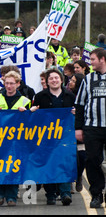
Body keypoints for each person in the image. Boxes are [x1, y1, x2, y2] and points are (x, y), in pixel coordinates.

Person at [31, 69, 76, 205]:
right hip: (46, 137)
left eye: (56, 78)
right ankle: (50, 194)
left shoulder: (70, 95)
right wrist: (33, 111)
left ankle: (65, 193)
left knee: (64, 164)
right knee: (48, 165)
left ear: (61, 80)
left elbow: (78, 112)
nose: (54, 80)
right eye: (51, 78)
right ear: (47, 81)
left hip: (64, 137)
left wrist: (75, 113)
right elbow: (34, 117)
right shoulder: (40, 96)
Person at [0, 71, 31, 206]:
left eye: (11, 83)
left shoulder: (25, 101)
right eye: (6, 83)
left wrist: (25, 113)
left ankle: (11, 196)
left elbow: (30, 122)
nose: (8, 86)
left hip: (17, 140)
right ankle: (0, 194)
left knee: (13, 167)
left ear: (18, 84)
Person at [74, 48, 106, 208]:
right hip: (92, 127)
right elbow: (79, 104)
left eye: (93, 59)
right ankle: (97, 194)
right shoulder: (88, 79)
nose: (90, 61)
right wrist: (78, 128)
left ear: (102, 59)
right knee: (92, 161)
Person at [68, 73, 86, 192]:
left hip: (80, 130)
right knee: (69, 157)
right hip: (67, 131)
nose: (70, 82)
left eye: (73, 81)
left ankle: (79, 176)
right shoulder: (67, 95)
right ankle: (69, 181)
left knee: (82, 157)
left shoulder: (84, 95)